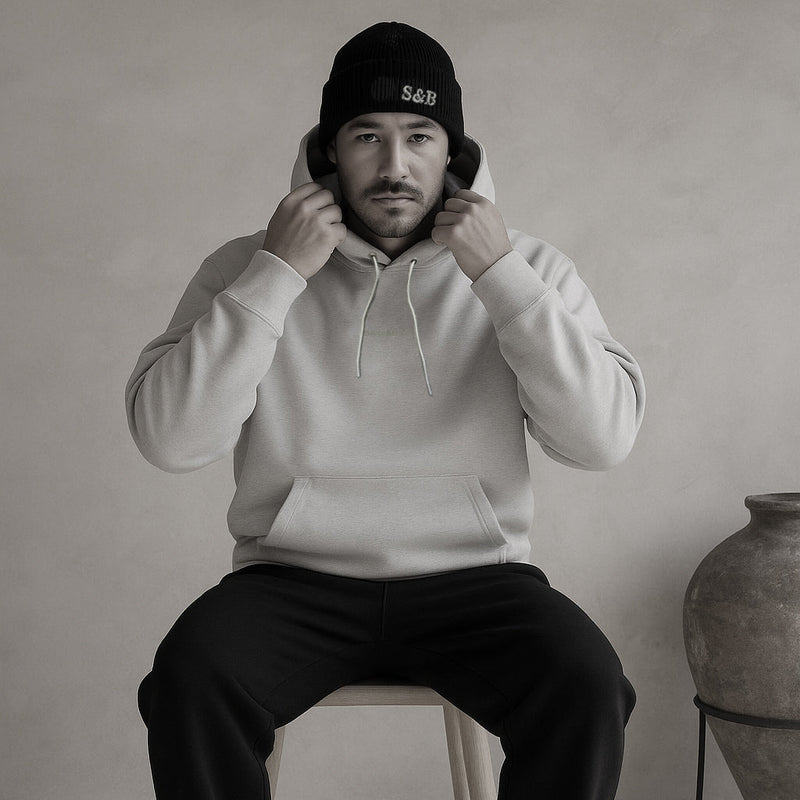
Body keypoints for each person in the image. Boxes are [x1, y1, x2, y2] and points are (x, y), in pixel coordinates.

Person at [126, 21, 645, 800]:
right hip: (291, 581)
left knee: (585, 683)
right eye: (367, 135)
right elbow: (170, 440)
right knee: (191, 678)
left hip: (476, 581)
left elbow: (602, 441)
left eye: (419, 136)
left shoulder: (530, 268)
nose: (395, 165)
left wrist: (500, 277)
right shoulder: (246, 266)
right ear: (330, 151)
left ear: (452, 152)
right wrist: (276, 274)